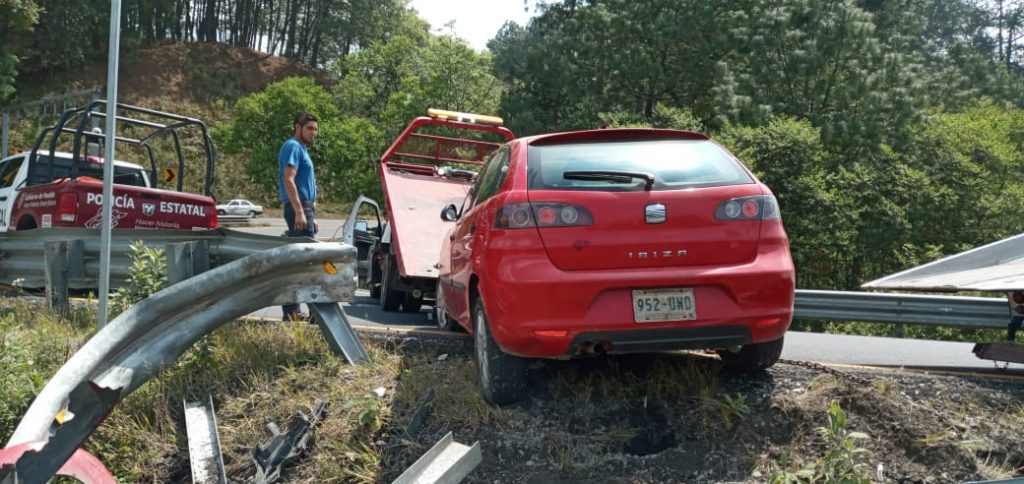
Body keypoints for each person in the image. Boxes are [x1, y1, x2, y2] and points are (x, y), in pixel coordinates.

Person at [279, 111, 320, 321]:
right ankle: (295, 313)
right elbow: (289, 179)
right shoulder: (293, 146)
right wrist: (299, 211)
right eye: (309, 128)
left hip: (306, 208)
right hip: (299, 208)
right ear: (297, 127)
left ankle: (294, 312)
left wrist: (311, 212)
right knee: (304, 263)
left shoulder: (302, 149)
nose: (313, 133)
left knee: (302, 262)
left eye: (315, 129)